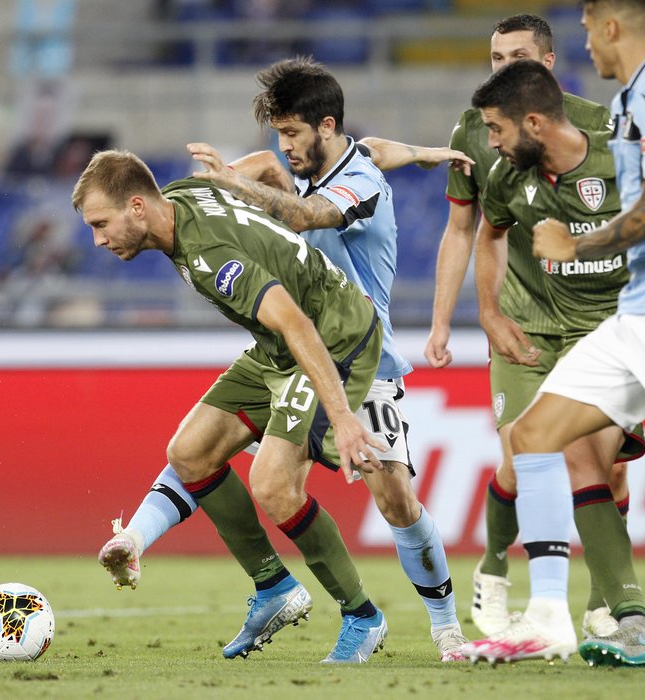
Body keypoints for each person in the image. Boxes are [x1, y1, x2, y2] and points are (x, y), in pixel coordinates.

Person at [378, 12, 645, 669]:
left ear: (610, 27)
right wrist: (484, 311)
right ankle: (550, 620)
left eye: (587, 22)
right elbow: (479, 230)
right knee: (535, 435)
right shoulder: (627, 102)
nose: (582, 32)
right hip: (635, 314)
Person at [100, 56, 475, 663]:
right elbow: (368, 149)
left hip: (361, 356)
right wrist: (429, 152)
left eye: (294, 132)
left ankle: (445, 623)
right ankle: (280, 588)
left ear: (326, 127)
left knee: (396, 501)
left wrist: (230, 182)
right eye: (278, 132)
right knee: (206, 454)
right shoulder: (329, 157)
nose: (285, 146)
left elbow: (307, 214)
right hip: (296, 346)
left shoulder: (361, 186)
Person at [72, 148, 390, 664]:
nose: (98, 240)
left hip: (332, 336)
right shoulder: (182, 192)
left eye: (101, 224)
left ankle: (362, 616)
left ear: (136, 207)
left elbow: (297, 324)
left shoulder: (212, 257)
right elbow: (263, 163)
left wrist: (345, 418)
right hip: (276, 347)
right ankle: (274, 589)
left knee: (273, 484)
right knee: (190, 452)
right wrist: (287, 235)